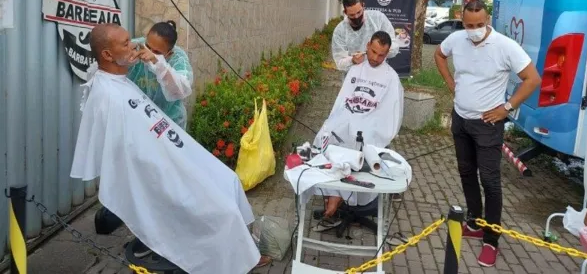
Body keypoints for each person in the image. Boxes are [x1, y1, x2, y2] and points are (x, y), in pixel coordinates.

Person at [70, 24, 267, 274]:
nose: (134, 47)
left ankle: (242, 247)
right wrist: (163, 165)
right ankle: (228, 257)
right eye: (126, 43)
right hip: (157, 163)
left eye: (132, 41)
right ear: (107, 55)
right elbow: (127, 153)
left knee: (228, 180)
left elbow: (180, 90)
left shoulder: (149, 68)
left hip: (169, 144)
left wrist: (158, 63)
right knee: (222, 209)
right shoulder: (108, 94)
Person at [434, 0, 541, 267]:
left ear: (488, 19)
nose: (475, 30)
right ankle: (474, 222)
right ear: (461, 19)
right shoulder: (457, 39)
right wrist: (450, 82)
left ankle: (491, 240)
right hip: (460, 119)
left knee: (490, 182)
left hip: (488, 126)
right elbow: (439, 54)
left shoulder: (505, 46)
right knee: (466, 173)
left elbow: (533, 79)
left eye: (480, 24)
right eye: (470, 25)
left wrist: (507, 108)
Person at [314, 31, 404, 220]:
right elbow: (341, 102)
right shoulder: (356, 70)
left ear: (387, 54)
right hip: (346, 121)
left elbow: (390, 116)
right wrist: (334, 124)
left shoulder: (391, 78)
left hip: (371, 128)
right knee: (327, 136)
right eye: (373, 52)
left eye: (381, 55)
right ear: (367, 45)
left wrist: (367, 126)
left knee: (357, 143)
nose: (376, 58)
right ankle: (333, 193)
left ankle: (337, 197)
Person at [127, 20, 193, 130]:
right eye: (147, 46)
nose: (149, 53)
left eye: (157, 52)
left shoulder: (178, 59)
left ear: (169, 53)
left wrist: (159, 64)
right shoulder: (136, 46)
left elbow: (181, 89)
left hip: (168, 123)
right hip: (136, 119)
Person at [332, 0, 400, 73]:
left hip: (379, 73)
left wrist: (380, 51)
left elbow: (394, 46)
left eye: (359, 12)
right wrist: (352, 60)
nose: (356, 17)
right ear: (345, 12)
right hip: (353, 78)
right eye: (352, 15)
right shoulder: (340, 31)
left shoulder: (378, 18)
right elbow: (339, 63)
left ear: (363, 5)